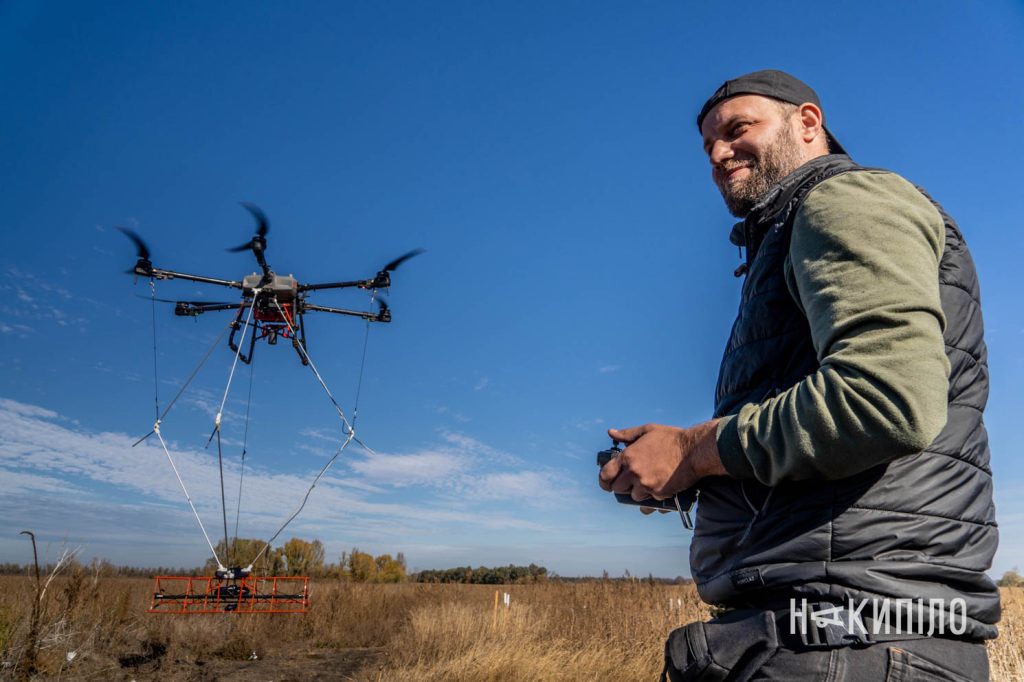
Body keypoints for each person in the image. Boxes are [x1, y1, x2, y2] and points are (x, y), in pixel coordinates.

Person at [598, 70, 999, 680]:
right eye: (707, 146)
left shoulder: (843, 200)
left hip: (847, 641)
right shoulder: (790, 233)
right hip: (838, 634)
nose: (718, 153)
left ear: (808, 123)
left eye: (738, 129)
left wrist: (693, 449)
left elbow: (885, 399)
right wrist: (693, 475)